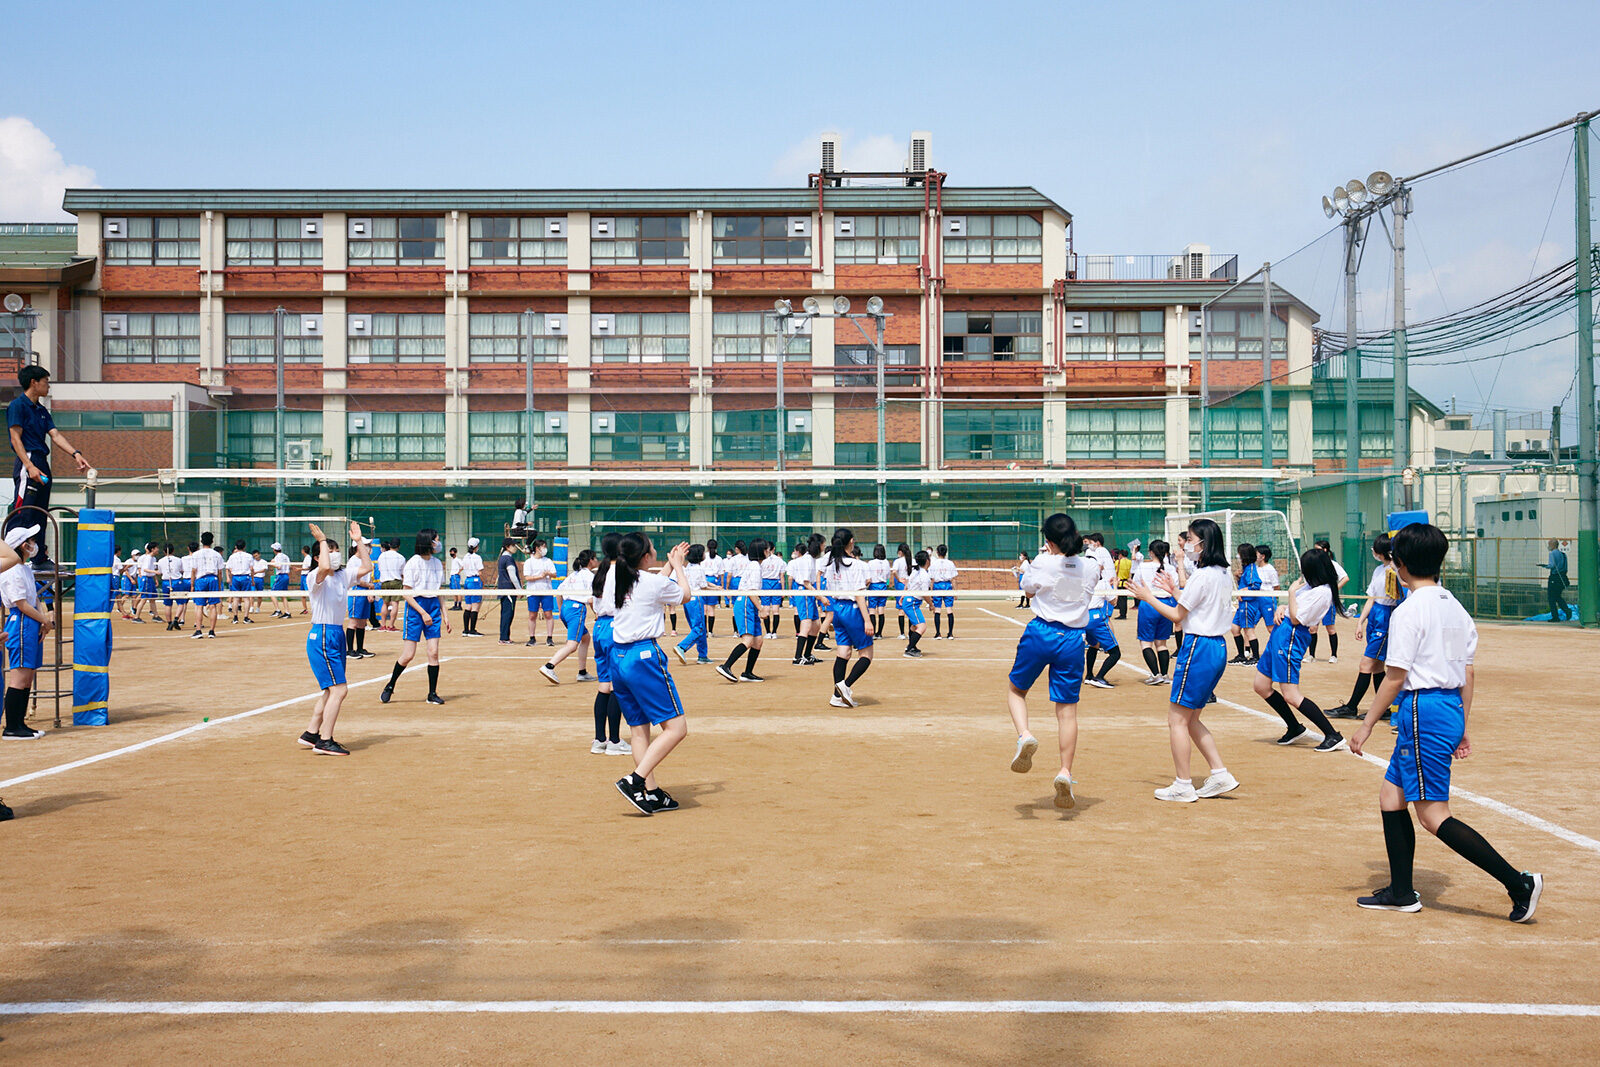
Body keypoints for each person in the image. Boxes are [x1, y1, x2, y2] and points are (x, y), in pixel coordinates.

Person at [1349, 523, 1543, 922]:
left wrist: (1366, 724)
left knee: (1433, 814)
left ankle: (1517, 882)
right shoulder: (1455, 607)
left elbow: (1395, 677)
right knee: (1391, 798)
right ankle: (1402, 891)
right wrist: (1463, 724)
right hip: (1447, 708)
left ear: (1399, 565)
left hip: (1423, 711)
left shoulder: (1408, 611)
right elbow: (1468, 674)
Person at [1129, 517, 1240, 803]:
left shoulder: (1204, 575)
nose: (1186, 545)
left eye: (1190, 540)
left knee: (1177, 720)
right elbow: (1193, 604)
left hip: (1199, 647)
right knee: (1191, 720)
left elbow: (1179, 616)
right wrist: (1173, 590)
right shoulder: (1222, 574)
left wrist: (1147, 597)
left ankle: (1183, 784)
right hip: (1216, 647)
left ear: (1204, 543)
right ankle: (1219, 773)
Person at [1006, 514, 1089, 810]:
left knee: (1016, 691)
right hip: (1072, 640)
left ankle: (1025, 736)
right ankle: (1065, 772)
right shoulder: (1090, 565)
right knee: (1067, 711)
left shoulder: (1041, 563)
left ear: (1049, 540)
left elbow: (1028, 591)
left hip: (1041, 631)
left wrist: (1045, 560)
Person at [608, 533, 693, 815]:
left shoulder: (615, 575)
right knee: (677, 728)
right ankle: (635, 781)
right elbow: (685, 595)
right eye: (652, 549)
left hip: (618, 657)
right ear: (645, 557)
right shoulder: (652, 582)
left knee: (639, 730)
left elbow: (653, 586)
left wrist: (668, 564)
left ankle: (651, 792)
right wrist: (679, 566)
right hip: (643, 657)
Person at [1252, 549, 1347, 752]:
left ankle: (1332, 734)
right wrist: (1282, 607)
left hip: (1292, 635)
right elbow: (1290, 609)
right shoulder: (1311, 586)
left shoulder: (1323, 591)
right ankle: (1294, 727)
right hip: (1281, 632)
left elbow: (1297, 618)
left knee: (1291, 695)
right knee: (1261, 685)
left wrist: (1291, 594)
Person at [298, 522, 371, 756]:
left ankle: (311, 733)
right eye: (329, 552)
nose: (334, 554)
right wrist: (321, 541)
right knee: (340, 690)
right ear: (319, 557)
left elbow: (367, 566)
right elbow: (324, 567)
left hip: (336, 634)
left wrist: (359, 541)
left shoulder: (343, 575)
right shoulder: (314, 577)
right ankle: (324, 740)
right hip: (322, 635)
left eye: (336, 550)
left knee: (331, 690)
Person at [6, 366, 91, 564]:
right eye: (45, 381)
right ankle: (12, 555)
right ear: (34, 382)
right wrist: (29, 466)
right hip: (28, 459)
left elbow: (55, 435)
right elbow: (15, 438)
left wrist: (75, 453)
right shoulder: (18, 406)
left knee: (40, 511)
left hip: (42, 461)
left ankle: (39, 557)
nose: (48, 385)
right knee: (24, 509)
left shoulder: (42, 410)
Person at [1327, 534, 1400, 720]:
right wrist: (1360, 621)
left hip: (1386, 617)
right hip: (1376, 614)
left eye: (1375, 549)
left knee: (1366, 664)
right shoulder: (1378, 570)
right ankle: (1383, 707)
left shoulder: (1396, 570)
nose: (1373, 552)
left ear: (1381, 552)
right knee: (1376, 667)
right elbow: (1371, 598)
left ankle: (1351, 707)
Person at [379, 529, 450, 706]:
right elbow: (406, 592)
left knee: (433, 652)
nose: (438, 544)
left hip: (433, 606)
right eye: (436, 540)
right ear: (428, 542)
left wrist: (445, 615)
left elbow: (439, 592)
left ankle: (432, 693)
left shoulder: (436, 563)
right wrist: (422, 612)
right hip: (416, 607)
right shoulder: (413, 563)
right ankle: (390, 685)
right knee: (408, 655)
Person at [1, 524, 48, 739]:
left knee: (28, 675)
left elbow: (33, 599)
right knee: (19, 676)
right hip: (21, 621)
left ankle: (20, 724)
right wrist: (45, 621)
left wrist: (42, 622)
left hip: (31, 621)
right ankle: (12, 726)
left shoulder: (24, 568)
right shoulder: (10, 570)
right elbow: (20, 603)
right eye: (30, 540)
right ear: (22, 545)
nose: (33, 544)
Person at [821, 528, 874, 708]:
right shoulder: (856, 565)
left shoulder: (829, 563)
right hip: (852, 610)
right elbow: (859, 594)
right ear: (851, 541)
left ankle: (837, 696)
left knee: (843, 652)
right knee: (866, 654)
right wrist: (867, 620)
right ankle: (845, 686)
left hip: (837, 609)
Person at [588, 533, 628, 755]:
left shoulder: (600, 572)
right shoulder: (620, 572)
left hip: (600, 628)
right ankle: (614, 741)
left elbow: (594, 602)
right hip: (615, 628)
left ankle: (599, 740)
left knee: (604, 686)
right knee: (617, 686)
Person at [541, 549, 597, 684]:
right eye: (595, 558)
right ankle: (549, 666)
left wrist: (560, 611)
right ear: (590, 560)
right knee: (572, 645)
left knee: (586, 637)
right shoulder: (589, 576)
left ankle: (582, 673)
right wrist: (597, 613)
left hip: (566, 608)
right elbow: (590, 600)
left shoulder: (573, 575)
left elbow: (559, 592)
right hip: (576, 610)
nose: (597, 560)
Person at [716, 538, 768, 683]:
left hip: (748, 602)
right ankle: (726, 666)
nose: (768, 551)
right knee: (748, 640)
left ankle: (747, 673)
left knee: (758, 641)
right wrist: (761, 609)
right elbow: (751, 591)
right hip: (746, 602)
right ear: (761, 551)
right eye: (766, 549)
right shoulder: (755, 567)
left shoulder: (755, 565)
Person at [1134, 539, 1178, 684]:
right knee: (1162, 643)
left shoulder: (1143, 566)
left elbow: (1136, 583)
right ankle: (1164, 675)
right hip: (1166, 605)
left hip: (1149, 603)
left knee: (1146, 643)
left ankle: (1155, 674)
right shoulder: (1171, 568)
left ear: (1151, 552)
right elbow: (1176, 586)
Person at [1081, 534, 1121, 690]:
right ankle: (1099, 676)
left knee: (1094, 646)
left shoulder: (1081, 579)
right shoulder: (1102, 582)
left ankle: (1089, 675)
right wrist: (1115, 586)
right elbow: (1114, 601)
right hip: (1096, 617)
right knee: (1115, 653)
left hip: (1083, 616)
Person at [1307, 539, 1348, 663]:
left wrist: (1333, 591)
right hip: (1315, 600)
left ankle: (1334, 655)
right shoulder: (1313, 564)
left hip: (1328, 601)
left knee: (1330, 628)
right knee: (1312, 628)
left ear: (1325, 550)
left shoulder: (1332, 564)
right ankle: (1311, 655)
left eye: (1318, 549)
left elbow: (1345, 578)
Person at [673, 543, 712, 666]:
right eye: (703, 552)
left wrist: (715, 586)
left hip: (687, 599)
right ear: (699, 555)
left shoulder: (687, 567)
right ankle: (682, 647)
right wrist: (716, 589)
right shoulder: (699, 568)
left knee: (699, 628)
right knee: (699, 628)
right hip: (697, 599)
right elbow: (703, 586)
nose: (705, 554)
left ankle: (702, 655)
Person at [785, 540, 821, 665]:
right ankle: (797, 657)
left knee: (816, 625)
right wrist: (820, 596)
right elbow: (806, 582)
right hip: (804, 592)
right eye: (822, 545)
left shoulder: (812, 559)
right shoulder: (806, 561)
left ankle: (807, 654)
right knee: (806, 625)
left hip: (809, 593)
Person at [1228, 542, 1262, 665]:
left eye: (1239, 553)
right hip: (1242, 604)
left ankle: (1256, 657)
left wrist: (1242, 591)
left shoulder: (1252, 568)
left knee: (1249, 630)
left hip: (1249, 603)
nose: (1238, 556)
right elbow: (1245, 584)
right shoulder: (1246, 569)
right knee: (1235, 628)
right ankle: (1241, 655)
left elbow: (1255, 585)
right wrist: (1238, 577)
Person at [344, 545, 379, 660]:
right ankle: (349, 650)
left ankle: (360, 648)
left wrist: (370, 592)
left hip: (365, 591)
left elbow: (369, 579)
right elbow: (355, 580)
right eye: (366, 546)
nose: (369, 548)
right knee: (353, 621)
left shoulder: (367, 561)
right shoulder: (352, 561)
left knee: (362, 622)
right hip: (356, 592)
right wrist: (368, 586)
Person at [899, 549, 933, 658]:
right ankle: (909, 650)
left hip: (909, 601)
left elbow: (908, 584)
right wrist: (931, 604)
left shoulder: (916, 571)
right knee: (922, 627)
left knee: (915, 626)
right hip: (912, 602)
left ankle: (911, 646)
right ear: (927, 561)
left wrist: (903, 596)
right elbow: (924, 594)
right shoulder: (924, 576)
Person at [523, 539, 557, 646]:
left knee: (548, 614)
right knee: (532, 615)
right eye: (543, 546)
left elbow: (554, 574)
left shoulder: (548, 561)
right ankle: (532, 637)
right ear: (537, 548)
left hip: (546, 591)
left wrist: (548, 573)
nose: (545, 549)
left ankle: (549, 638)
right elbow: (527, 577)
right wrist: (539, 576)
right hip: (533, 591)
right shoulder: (529, 562)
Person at [190, 532, 225, 638]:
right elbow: (220, 572)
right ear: (212, 541)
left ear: (201, 541)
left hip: (200, 579)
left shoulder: (196, 554)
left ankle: (198, 630)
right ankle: (211, 631)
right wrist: (219, 585)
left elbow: (193, 571)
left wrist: (192, 585)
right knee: (213, 605)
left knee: (199, 605)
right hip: (213, 579)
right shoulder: (217, 554)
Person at [1538, 538, 1571, 622]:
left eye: (1549, 544)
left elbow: (1552, 565)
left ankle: (1556, 616)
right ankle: (1567, 610)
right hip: (1563, 577)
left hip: (1554, 577)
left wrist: (1544, 566)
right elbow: (1565, 567)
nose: (1548, 546)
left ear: (1553, 545)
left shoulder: (1552, 553)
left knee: (1551, 598)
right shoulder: (1563, 554)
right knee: (1557, 596)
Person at [929, 544, 958, 639]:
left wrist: (931, 593)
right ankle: (950, 634)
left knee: (937, 609)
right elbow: (953, 579)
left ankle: (938, 633)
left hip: (937, 586)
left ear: (937, 552)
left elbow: (932, 580)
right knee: (949, 609)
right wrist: (955, 592)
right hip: (947, 586)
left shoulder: (933, 564)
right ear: (946, 552)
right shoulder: (950, 563)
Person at [375, 540, 405, 629]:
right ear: (398, 546)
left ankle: (383, 625)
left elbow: (379, 568)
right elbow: (403, 572)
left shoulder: (382, 556)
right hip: (396, 581)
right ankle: (391, 625)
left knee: (385, 603)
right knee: (395, 603)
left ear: (389, 545)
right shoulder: (401, 557)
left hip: (384, 581)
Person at [459, 537, 485, 636]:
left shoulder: (465, 556)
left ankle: (465, 630)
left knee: (468, 605)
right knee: (475, 606)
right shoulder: (477, 557)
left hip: (467, 580)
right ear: (476, 547)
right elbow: (480, 572)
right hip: (475, 581)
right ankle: (472, 630)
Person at [759, 536, 785, 635]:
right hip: (776, 584)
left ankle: (768, 632)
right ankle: (774, 632)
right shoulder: (780, 561)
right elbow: (782, 576)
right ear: (774, 549)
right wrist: (783, 590)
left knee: (766, 609)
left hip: (765, 583)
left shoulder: (762, 561)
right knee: (775, 610)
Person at [891, 542, 913, 639]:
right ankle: (910, 633)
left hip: (901, 585)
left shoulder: (898, 561)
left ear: (900, 552)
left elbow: (894, 571)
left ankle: (902, 634)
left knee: (901, 610)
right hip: (910, 585)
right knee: (909, 609)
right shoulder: (913, 560)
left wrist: (899, 579)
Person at [702, 538, 722, 636]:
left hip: (703, 580)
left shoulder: (703, 556)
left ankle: (705, 631)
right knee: (711, 609)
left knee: (704, 608)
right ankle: (710, 631)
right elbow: (721, 573)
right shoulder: (719, 559)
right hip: (713, 580)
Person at [268, 542, 293, 618]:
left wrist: (271, 563)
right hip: (286, 576)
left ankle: (277, 610)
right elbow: (290, 566)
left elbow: (278, 567)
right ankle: (287, 612)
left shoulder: (277, 557)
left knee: (272, 593)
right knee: (283, 595)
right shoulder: (286, 556)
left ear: (274, 550)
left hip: (281, 576)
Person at [447, 546, 464, 611]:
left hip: (455, 576)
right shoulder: (453, 560)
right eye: (450, 552)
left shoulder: (457, 560)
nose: (451, 553)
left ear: (455, 552)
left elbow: (463, 566)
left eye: (452, 552)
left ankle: (459, 605)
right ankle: (455, 605)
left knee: (458, 590)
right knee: (454, 591)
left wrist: (458, 572)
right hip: (452, 576)